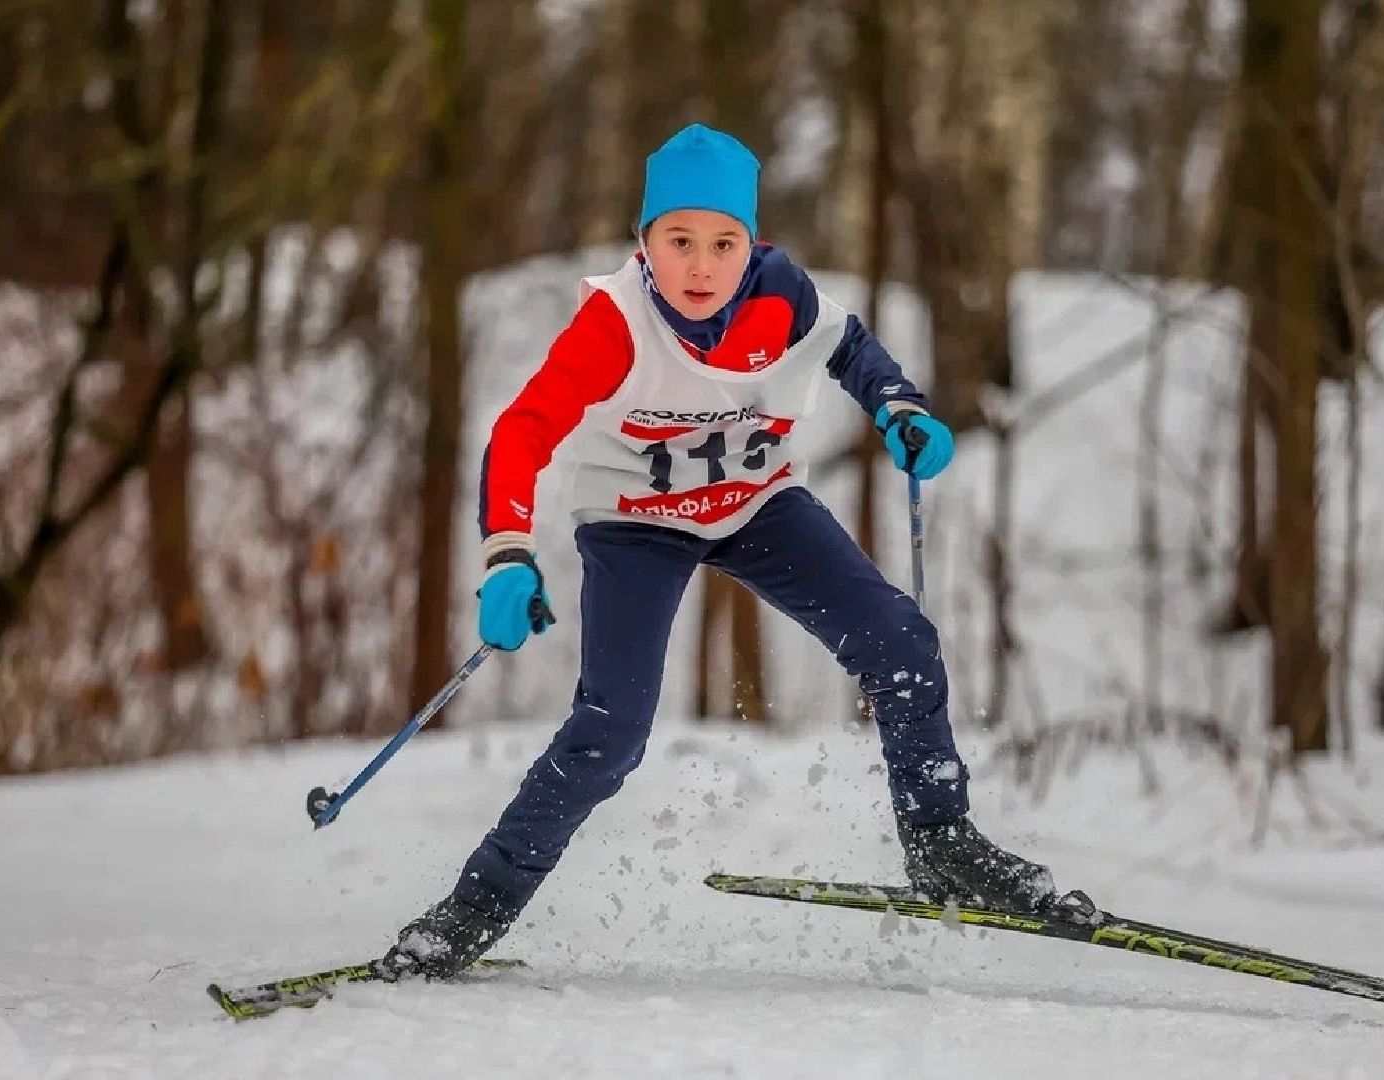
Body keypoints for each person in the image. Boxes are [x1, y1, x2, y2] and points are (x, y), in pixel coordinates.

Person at [379, 124, 1086, 981]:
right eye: (679, 241)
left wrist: (901, 408)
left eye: (724, 242)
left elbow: (853, 350)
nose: (702, 266)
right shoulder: (613, 324)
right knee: (611, 732)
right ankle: (470, 913)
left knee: (899, 640)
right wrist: (507, 556)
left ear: (753, 244)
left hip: (757, 504)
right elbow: (523, 432)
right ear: (644, 245)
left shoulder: (780, 293)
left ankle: (941, 843)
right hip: (633, 520)